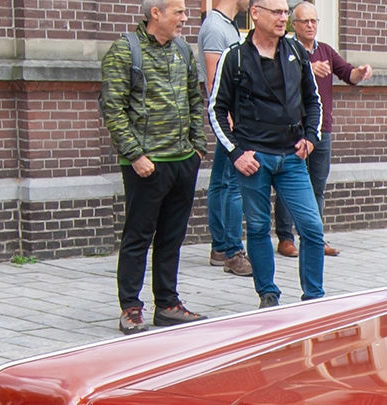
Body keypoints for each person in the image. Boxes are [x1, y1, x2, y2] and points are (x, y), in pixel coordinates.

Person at [100, 0, 208, 334]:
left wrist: (197, 148)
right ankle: (130, 308)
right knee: (138, 235)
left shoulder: (183, 51)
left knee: (172, 237)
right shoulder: (124, 51)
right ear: (155, 14)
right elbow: (113, 108)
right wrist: (135, 155)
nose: (185, 18)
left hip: (182, 162)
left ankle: (168, 304)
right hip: (146, 165)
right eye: (178, 11)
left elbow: (194, 99)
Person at [209, 0, 326, 309]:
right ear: (256, 13)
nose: (283, 18)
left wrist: (311, 137)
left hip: (292, 157)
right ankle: (268, 295)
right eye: (276, 12)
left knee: (312, 228)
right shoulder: (234, 58)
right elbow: (216, 110)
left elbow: (313, 100)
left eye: (286, 12)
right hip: (254, 160)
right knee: (258, 228)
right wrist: (235, 153)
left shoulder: (297, 53)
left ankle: (314, 299)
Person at [271, 1, 371, 259]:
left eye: (314, 21)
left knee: (317, 186)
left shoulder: (325, 51)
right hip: (293, 130)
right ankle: (285, 238)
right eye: (305, 21)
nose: (310, 25)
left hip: (321, 129)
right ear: (294, 24)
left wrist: (360, 72)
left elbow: (347, 74)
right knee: (288, 184)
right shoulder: (286, 49)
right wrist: (307, 69)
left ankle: (314, 237)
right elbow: (277, 79)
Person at [199, 0, 253, 277]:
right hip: (230, 124)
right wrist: (230, 131)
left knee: (220, 182)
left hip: (232, 122)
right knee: (231, 184)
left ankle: (220, 247)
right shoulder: (214, 27)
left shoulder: (228, 26)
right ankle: (233, 251)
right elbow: (213, 84)